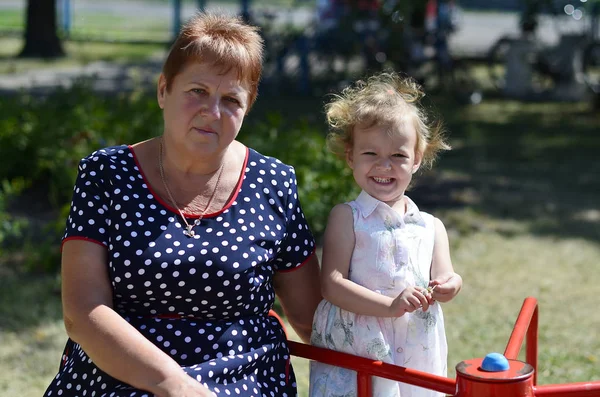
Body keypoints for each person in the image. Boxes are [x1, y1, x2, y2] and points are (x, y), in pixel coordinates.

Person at [43, 12, 322, 397]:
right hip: (118, 377)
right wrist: (175, 386)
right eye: (197, 92)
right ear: (163, 90)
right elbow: (82, 313)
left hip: (243, 382)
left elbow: (313, 321)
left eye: (231, 99)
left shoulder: (273, 183)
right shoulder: (106, 174)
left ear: (248, 107)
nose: (213, 112)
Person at [309, 72, 462, 397]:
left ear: (417, 159)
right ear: (351, 156)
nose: (384, 165)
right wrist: (389, 305)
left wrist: (450, 285)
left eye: (398, 156)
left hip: (414, 342)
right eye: (370, 154)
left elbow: (446, 275)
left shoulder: (430, 226)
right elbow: (332, 284)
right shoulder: (348, 217)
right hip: (360, 345)